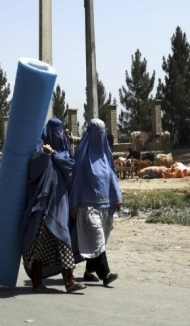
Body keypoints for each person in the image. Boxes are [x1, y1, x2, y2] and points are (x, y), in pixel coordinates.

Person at [20, 117, 85, 293]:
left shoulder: (63, 151)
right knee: (39, 245)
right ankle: (38, 282)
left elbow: (69, 166)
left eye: (60, 130)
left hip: (59, 206)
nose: (59, 134)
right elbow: (33, 171)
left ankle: (69, 281)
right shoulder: (39, 148)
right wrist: (45, 154)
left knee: (64, 240)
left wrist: (53, 153)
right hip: (42, 207)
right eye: (55, 131)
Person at [68, 118, 122, 287]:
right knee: (98, 237)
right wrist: (74, 204)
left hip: (105, 206)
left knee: (100, 241)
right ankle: (105, 273)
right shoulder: (83, 159)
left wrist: (117, 199)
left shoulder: (106, 157)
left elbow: (112, 177)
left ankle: (89, 271)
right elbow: (76, 182)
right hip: (87, 206)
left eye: (102, 132)